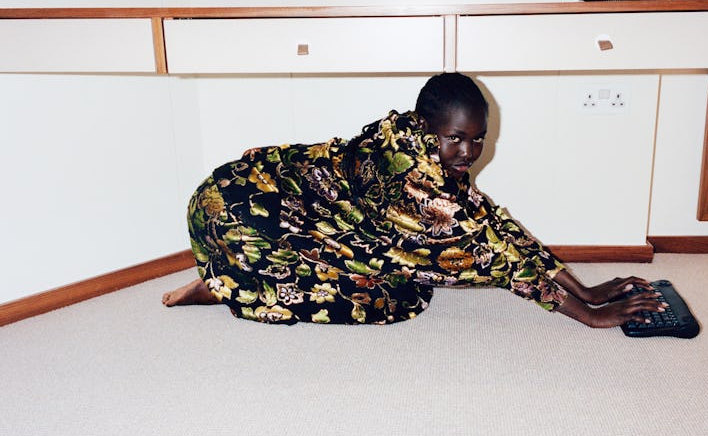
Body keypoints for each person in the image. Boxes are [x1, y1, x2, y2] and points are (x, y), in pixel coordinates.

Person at [162, 72, 664, 327]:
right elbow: (488, 256)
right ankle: (229, 282)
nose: (468, 152)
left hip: (275, 205)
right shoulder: (412, 190)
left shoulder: (418, 142)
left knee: (406, 284)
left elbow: (491, 223)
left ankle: (229, 276)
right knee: (389, 301)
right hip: (235, 214)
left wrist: (586, 286)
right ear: (427, 128)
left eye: (478, 139)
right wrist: (589, 313)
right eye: (456, 139)